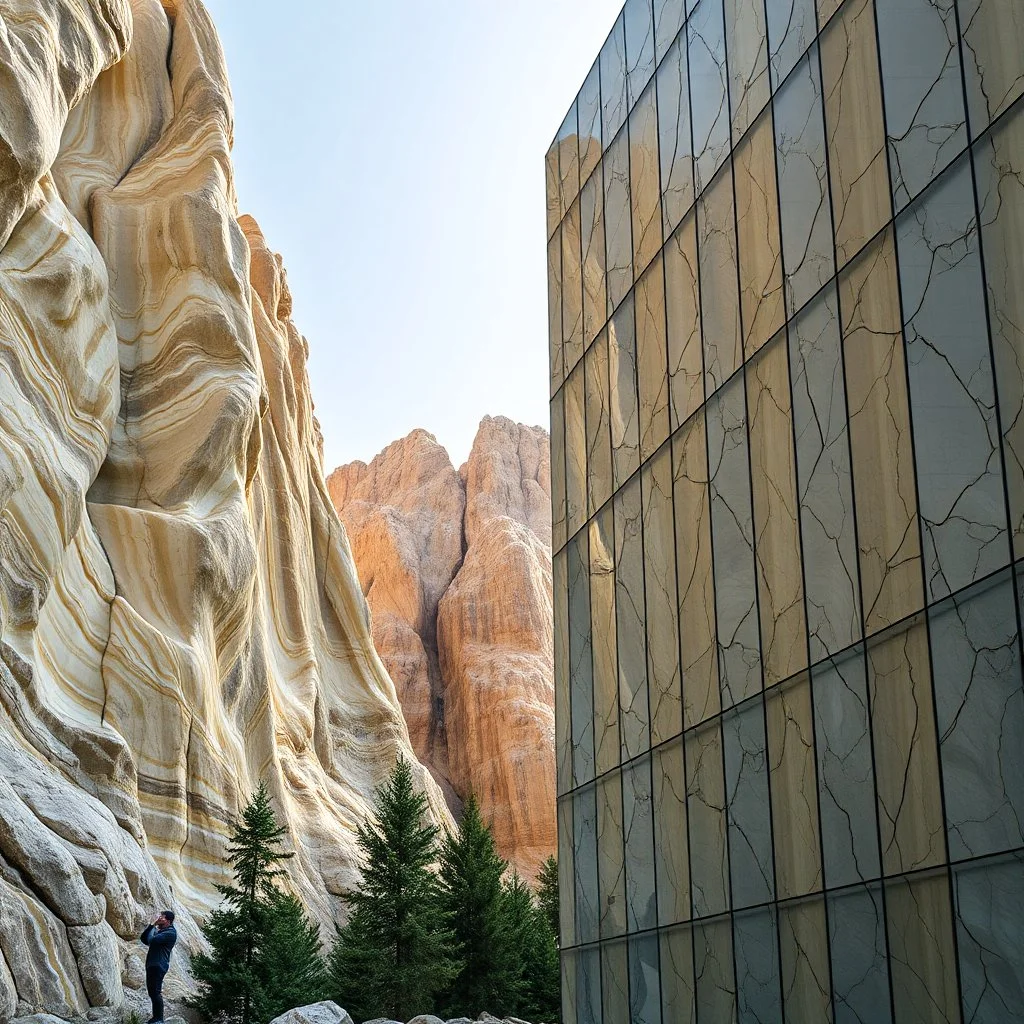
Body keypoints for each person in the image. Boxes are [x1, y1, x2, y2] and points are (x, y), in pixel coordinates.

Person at [140, 910, 177, 1024]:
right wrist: (151, 926)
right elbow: (144, 939)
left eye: (162, 917)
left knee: (155, 992)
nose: (159, 918)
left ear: (168, 921)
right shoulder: (162, 931)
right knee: (152, 992)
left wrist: (153, 925)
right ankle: (156, 1018)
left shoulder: (170, 933)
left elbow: (152, 940)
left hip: (158, 965)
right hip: (153, 964)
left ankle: (159, 1019)